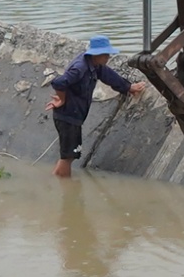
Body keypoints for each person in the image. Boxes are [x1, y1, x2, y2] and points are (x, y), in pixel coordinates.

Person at [46, 35, 144, 177]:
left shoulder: (95, 65)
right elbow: (58, 83)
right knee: (68, 156)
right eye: (106, 55)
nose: (108, 57)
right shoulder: (80, 68)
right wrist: (62, 99)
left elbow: (109, 76)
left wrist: (128, 87)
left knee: (71, 155)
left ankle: (62, 183)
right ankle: (64, 185)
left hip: (74, 116)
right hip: (67, 117)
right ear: (96, 54)